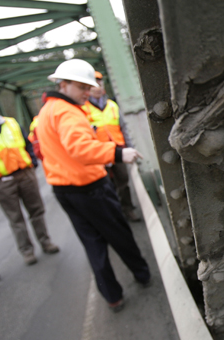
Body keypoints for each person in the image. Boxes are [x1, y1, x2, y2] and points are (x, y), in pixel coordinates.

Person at [36, 59, 151, 312]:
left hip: (64, 189)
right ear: (63, 84)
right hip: (90, 188)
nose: (87, 93)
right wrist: (119, 153)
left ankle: (112, 296)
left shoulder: (47, 110)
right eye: (81, 87)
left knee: (93, 244)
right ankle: (143, 275)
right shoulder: (68, 112)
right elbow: (79, 149)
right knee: (119, 234)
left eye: (89, 88)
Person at [0, 94, 59, 266]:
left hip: (25, 174)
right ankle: (27, 251)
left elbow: (27, 143)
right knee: (16, 218)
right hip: (1, 181)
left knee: (37, 210)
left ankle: (46, 241)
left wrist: (31, 162)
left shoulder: (11, 123)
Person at [82, 72, 140, 221]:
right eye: (94, 85)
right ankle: (115, 212)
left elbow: (123, 128)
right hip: (99, 152)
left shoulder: (112, 106)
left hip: (118, 149)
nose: (98, 87)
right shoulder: (83, 109)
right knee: (106, 185)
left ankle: (128, 209)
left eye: (100, 84)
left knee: (123, 180)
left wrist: (130, 147)